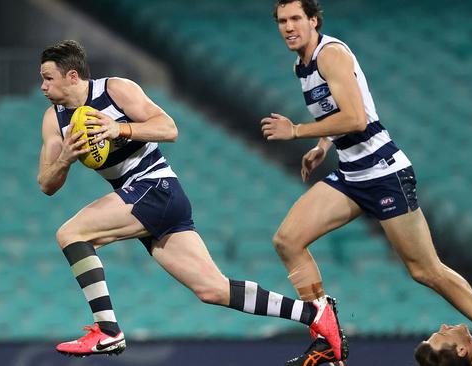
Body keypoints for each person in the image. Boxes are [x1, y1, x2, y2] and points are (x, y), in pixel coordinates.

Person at [37, 39, 342, 357]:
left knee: (72, 233)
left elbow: (168, 128)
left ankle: (107, 330)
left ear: (72, 76)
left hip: (156, 187)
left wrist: (121, 129)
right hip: (146, 199)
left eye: (48, 77)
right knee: (213, 289)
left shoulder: (115, 89)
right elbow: (47, 183)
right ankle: (315, 314)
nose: (43, 85)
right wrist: (65, 159)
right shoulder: (54, 120)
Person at [262, 1, 472, 364]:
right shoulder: (302, 64)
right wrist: (323, 144)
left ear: (313, 20)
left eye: (296, 18)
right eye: (282, 21)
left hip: (385, 173)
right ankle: (326, 337)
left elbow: (356, 118)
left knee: (425, 270)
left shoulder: (331, 54)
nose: (289, 26)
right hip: (352, 174)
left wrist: (296, 130)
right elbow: (337, 111)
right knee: (287, 240)